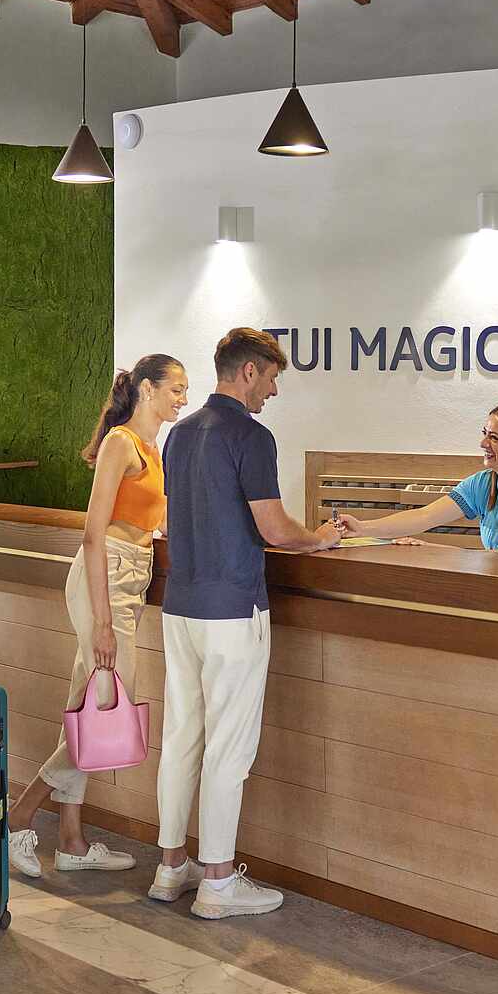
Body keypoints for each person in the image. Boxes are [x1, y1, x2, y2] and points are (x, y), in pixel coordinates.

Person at [149, 328, 342, 919]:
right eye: (272, 378)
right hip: (233, 610)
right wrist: (320, 538)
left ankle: (170, 867)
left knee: (182, 737)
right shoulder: (252, 437)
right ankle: (217, 882)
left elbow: (177, 517)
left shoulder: (179, 433)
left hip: (181, 607)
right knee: (228, 748)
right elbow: (275, 528)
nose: (274, 392)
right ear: (249, 372)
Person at [6, 355, 188, 877]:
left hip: (131, 578)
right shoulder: (120, 444)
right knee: (109, 708)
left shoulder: (153, 449)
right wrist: (104, 622)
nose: (182, 398)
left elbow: (155, 521)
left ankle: (71, 841)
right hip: (102, 578)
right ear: (147, 389)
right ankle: (18, 816)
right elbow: (92, 535)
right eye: (176, 389)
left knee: (84, 706)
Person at [337, 402, 498, 559]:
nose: (483, 443)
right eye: (485, 433)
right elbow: (425, 516)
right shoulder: (483, 483)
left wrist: (435, 549)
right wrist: (362, 528)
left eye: (494, 438)